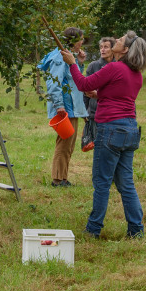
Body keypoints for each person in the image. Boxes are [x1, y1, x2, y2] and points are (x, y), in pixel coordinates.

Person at [61, 30, 146, 238]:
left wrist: (73, 63)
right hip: (130, 130)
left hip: (110, 130)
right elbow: (120, 97)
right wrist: (99, 95)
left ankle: (93, 229)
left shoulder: (113, 68)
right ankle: (136, 230)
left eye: (119, 40)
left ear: (125, 50)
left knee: (101, 182)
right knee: (126, 183)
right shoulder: (136, 74)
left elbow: (83, 84)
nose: (116, 40)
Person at [38, 27, 88, 187]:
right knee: (64, 143)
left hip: (72, 107)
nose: (82, 42)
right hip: (66, 107)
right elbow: (54, 83)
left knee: (69, 144)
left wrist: (79, 63)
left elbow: (74, 79)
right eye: (81, 39)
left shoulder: (68, 56)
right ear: (74, 41)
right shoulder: (60, 58)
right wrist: (59, 105)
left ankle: (63, 178)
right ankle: (58, 179)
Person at [81, 37, 116, 151]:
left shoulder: (120, 66)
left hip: (114, 112)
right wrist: (84, 110)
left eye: (106, 47)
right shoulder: (93, 66)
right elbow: (85, 90)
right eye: (101, 47)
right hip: (95, 112)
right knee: (99, 146)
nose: (103, 50)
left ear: (113, 49)